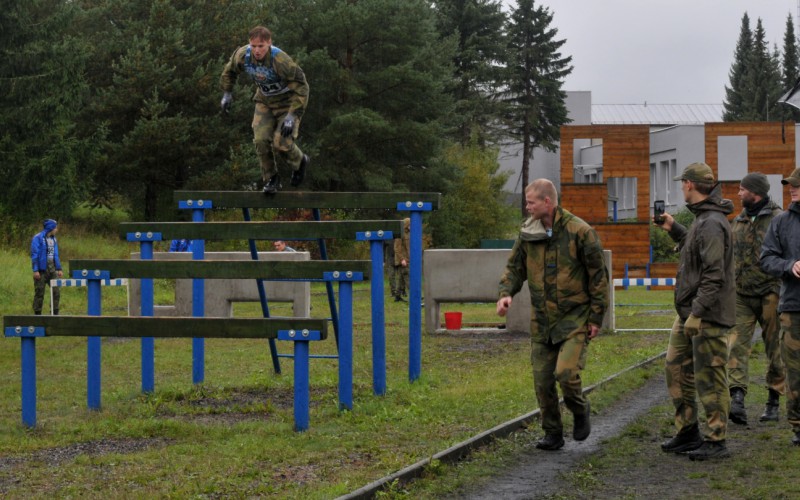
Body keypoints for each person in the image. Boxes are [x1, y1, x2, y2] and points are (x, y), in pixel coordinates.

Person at [497, 179, 608, 451]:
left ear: (547, 202)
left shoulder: (580, 232)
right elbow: (514, 267)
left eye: (531, 202)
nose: (527, 207)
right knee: (543, 380)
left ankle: (579, 409)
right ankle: (553, 433)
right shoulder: (529, 232)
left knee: (566, 374)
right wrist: (506, 293)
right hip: (542, 320)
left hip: (574, 317)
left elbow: (598, 278)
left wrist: (596, 318)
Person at [656, 162, 735, 461]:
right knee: (676, 368)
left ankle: (716, 440)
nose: (681, 188)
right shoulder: (703, 219)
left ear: (689, 184)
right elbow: (695, 250)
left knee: (710, 376)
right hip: (690, 312)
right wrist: (674, 229)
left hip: (706, 315)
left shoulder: (712, 222)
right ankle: (688, 431)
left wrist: (698, 313)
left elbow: (714, 274)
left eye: (682, 183)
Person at [220, 26, 310, 195]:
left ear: (269, 43)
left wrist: (292, 115)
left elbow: (302, 88)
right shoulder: (243, 56)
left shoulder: (281, 61)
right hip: (265, 102)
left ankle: (300, 162)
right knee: (260, 140)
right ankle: (271, 179)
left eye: (261, 46)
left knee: (281, 144)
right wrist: (227, 93)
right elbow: (229, 71)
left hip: (287, 104)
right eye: (253, 46)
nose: (257, 51)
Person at [727, 173, 784, 425]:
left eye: (742, 189)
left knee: (775, 348)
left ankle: (774, 399)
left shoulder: (779, 219)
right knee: (736, 345)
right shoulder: (738, 221)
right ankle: (737, 398)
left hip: (771, 292)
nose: (739, 193)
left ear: (755, 192)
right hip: (741, 294)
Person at [760, 167, 800, 446]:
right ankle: (798, 426)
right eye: (789, 185)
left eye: (796, 185)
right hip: (794, 307)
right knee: (795, 371)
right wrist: (789, 265)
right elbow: (766, 259)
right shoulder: (781, 222)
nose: (791, 189)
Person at [30, 219, 63, 315]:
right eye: (55, 228)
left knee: (56, 291)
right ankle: (37, 313)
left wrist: (59, 268)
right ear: (50, 228)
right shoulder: (38, 238)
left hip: (52, 269)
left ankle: (55, 312)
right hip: (41, 269)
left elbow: (56, 254)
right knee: (39, 292)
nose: (56, 229)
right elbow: (34, 254)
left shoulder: (54, 239)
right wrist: (35, 270)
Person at [393, 218, 410, 302]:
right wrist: (402, 259)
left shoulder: (408, 234)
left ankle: (397, 296)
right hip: (403, 260)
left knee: (400, 278)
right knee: (408, 277)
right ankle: (415, 295)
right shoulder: (400, 234)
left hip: (407, 259)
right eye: (410, 224)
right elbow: (397, 248)